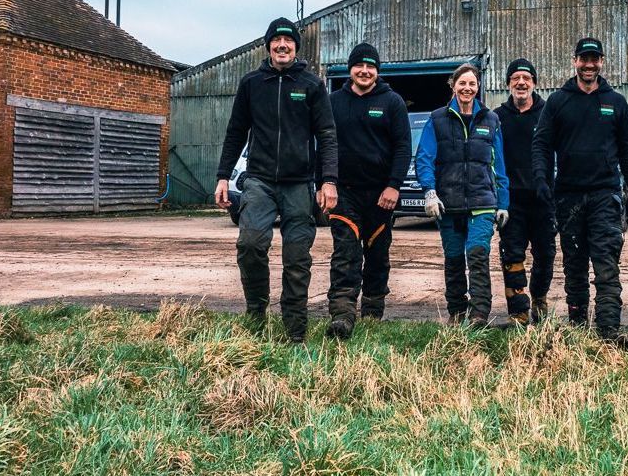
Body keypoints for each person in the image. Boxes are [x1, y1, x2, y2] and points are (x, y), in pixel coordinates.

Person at [215, 17, 338, 344]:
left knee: (297, 256)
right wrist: (223, 176)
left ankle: (295, 329)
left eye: (288, 41)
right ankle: (256, 311)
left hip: (299, 184)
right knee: (250, 244)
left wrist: (328, 180)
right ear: (268, 46)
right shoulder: (252, 84)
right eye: (277, 41)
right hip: (260, 181)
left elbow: (327, 135)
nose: (282, 45)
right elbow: (235, 132)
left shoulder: (311, 85)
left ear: (296, 46)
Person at [532, 38, 628, 347]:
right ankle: (578, 330)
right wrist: (541, 179)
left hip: (605, 195)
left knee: (606, 266)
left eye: (595, 59)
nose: (589, 65)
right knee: (575, 267)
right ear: (575, 61)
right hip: (569, 197)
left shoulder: (615, 102)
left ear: (601, 61)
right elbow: (541, 144)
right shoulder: (558, 102)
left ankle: (608, 333)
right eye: (584, 59)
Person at [324, 43, 411, 340]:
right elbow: (324, 145)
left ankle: (373, 312)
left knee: (377, 254)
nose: (364, 71)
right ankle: (342, 314)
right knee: (345, 253)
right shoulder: (333, 102)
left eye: (370, 66)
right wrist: (324, 183)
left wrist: (394, 185)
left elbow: (403, 147)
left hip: (380, 195)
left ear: (377, 70)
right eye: (359, 66)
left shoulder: (392, 102)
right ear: (350, 69)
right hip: (344, 193)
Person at [414, 63, 510, 326]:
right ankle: (456, 314)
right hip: (449, 204)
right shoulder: (437, 119)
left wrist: (503, 203)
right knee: (454, 259)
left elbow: (499, 165)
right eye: (462, 83)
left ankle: (479, 315)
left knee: (478, 256)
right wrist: (429, 192)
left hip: (482, 202)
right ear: (453, 86)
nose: (467, 88)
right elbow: (424, 158)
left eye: (472, 84)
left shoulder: (491, 120)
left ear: (478, 87)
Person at [494, 58, 557, 325]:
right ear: (508, 83)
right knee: (512, 255)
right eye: (516, 78)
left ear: (534, 83)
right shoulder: (497, 117)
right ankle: (518, 311)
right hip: (511, 201)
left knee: (546, 254)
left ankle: (539, 298)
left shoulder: (548, 113)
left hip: (543, 199)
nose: (521, 83)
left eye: (526, 78)